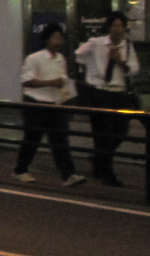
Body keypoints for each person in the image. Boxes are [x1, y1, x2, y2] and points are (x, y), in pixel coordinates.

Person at [15, 23, 85, 186]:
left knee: (60, 139)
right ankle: (20, 169)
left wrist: (66, 94)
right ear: (46, 39)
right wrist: (52, 83)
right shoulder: (34, 58)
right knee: (32, 138)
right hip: (36, 102)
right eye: (55, 37)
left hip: (55, 103)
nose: (58, 40)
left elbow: (62, 80)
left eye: (60, 37)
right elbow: (27, 82)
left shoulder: (61, 59)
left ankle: (68, 174)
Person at [76, 12, 141, 186]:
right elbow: (78, 55)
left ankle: (99, 160)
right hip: (101, 92)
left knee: (121, 130)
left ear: (125, 28)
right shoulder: (97, 44)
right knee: (103, 134)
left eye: (120, 26)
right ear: (109, 28)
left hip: (119, 93)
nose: (117, 29)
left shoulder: (127, 47)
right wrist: (91, 69)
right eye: (114, 25)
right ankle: (107, 174)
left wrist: (119, 60)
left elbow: (133, 69)